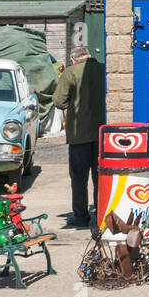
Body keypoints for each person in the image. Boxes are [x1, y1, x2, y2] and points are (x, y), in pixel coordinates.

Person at [53, 45, 105, 229]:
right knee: (101, 177)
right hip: (103, 134)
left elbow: (59, 101)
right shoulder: (104, 69)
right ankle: (103, 214)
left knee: (79, 178)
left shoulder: (70, 73)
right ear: (89, 55)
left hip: (79, 134)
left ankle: (81, 216)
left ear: (74, 59)